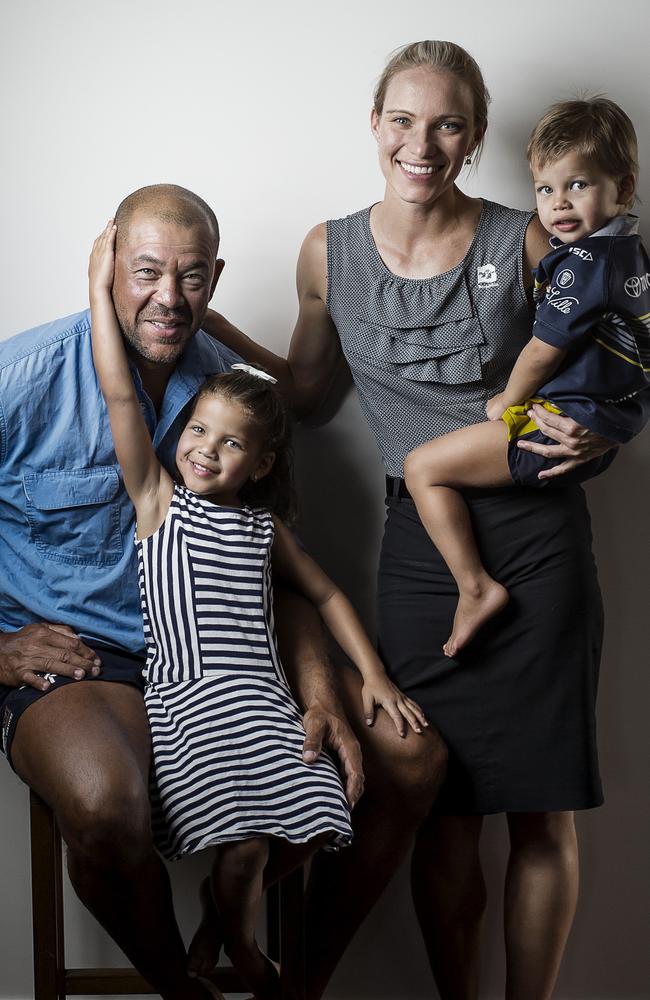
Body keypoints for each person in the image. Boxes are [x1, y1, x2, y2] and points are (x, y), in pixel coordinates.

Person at [202, 41, 619, 1000]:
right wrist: (220, 330)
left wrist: (607, 436)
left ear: (472, 138)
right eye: (402, 119)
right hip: (420, 558)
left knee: (542, 812)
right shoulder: (328, 249)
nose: (420, 143)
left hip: (538, 537)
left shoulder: (527, 238)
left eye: (446, 123)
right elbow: (306, 396)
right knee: (444, 806)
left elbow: (617, 345)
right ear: (375, 124)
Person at [0, 183, 445, 1000]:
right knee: (105, 803)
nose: (169, 299)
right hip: (82, 665)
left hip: (233, 663)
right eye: (144, 273)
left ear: (215, 276)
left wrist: (318, 693)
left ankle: (292, 981)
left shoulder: (232, 397)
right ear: (108, 272)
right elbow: (118, 388)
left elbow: (281, 575)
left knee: (412, 762)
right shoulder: (18, 378)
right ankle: (185, 990)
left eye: (192, 276)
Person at [404, 97, 648, 658]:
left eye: (579, 185)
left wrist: (506, 399)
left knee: (422, 468)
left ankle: (475, 587)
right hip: (596, 422)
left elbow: (542, 350)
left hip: (562, 425)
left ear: (623, 187)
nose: (558, 204)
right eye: (545, 190)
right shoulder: (629, 255)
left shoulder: (585, 264)